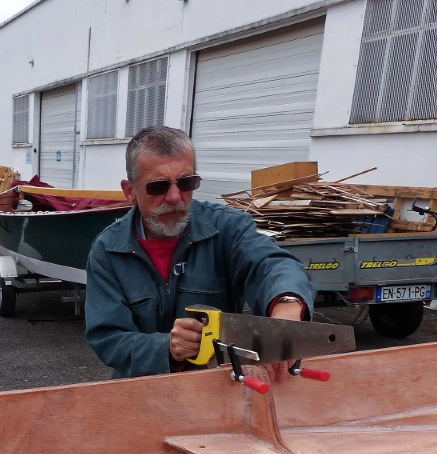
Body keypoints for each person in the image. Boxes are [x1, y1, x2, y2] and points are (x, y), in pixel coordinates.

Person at [85, 125, 315, 381]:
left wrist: (287, 304)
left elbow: (272, 264)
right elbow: (108, 338)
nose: (175, 197)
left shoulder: (227, 228)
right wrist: (167, 348)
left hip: (217, 390)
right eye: (158, 187)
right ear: (130, 191)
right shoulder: (108, 250)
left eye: (186, 182)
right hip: (141, 391)